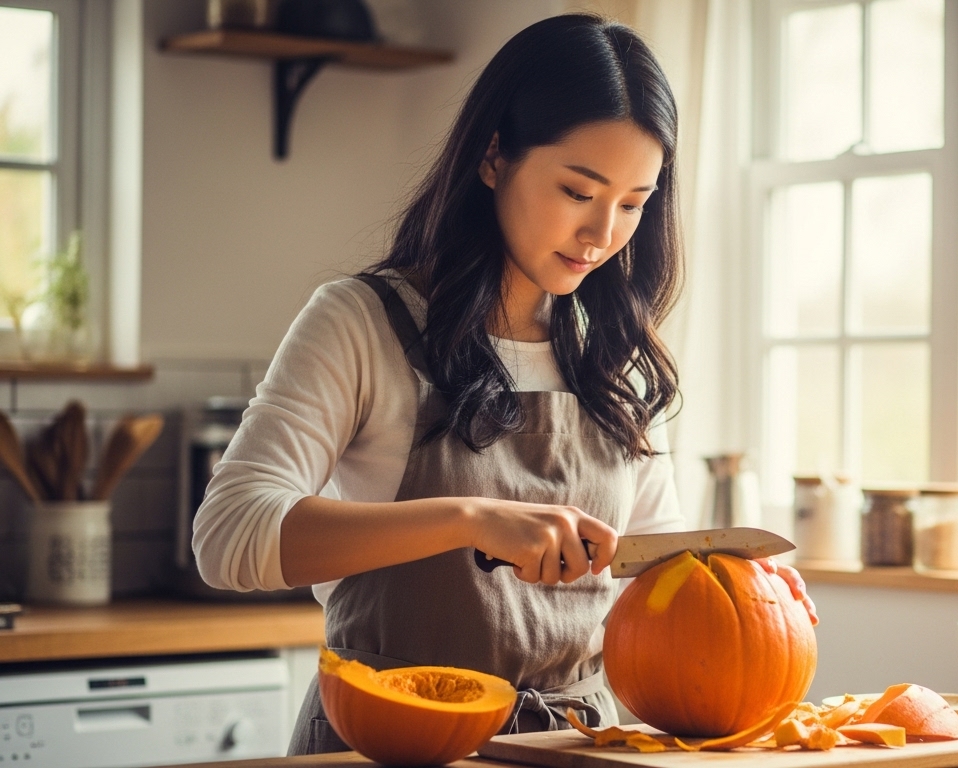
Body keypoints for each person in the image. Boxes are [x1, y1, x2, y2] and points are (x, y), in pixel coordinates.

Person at [192, 14, 686, 755]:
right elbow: (229, 536)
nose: (602, 234)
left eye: (633, 203)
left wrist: (740, 590)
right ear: (493, 157)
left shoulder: (613, 354)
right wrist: (468, 520)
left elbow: (654, 568)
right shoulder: (361, 322)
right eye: (577, 191)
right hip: (388, 742)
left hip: (574, 747)